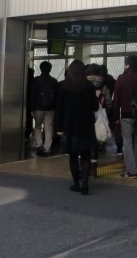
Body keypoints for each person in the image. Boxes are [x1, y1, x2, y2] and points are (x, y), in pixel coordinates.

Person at [55, 60, 98, 195]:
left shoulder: (63, 86)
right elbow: (95, 106)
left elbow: (59, 109)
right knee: (85, 155)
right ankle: (85, 183)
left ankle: (76, 184)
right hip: (86, 126)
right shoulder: (89, 86)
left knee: (73, 156)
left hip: (70, 126)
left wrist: (59, 127)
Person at [85, 63, 113, 177]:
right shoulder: (104, 87)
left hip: (85, 117)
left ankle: (84, 166)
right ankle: (94, 169)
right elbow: (109, 103)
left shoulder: (83, 85)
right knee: (95, 143)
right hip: (99, 119)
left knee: (85, 142)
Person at [29, 61, 58, 157]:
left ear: (41, 69)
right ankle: (47, 148)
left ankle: (39, 145)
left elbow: (33, 95)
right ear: (50, 69)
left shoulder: (36, 80)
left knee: (37, 127)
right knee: (48, 128)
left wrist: (31, 108)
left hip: (38, 108)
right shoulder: (54, 81)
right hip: (51, 109)